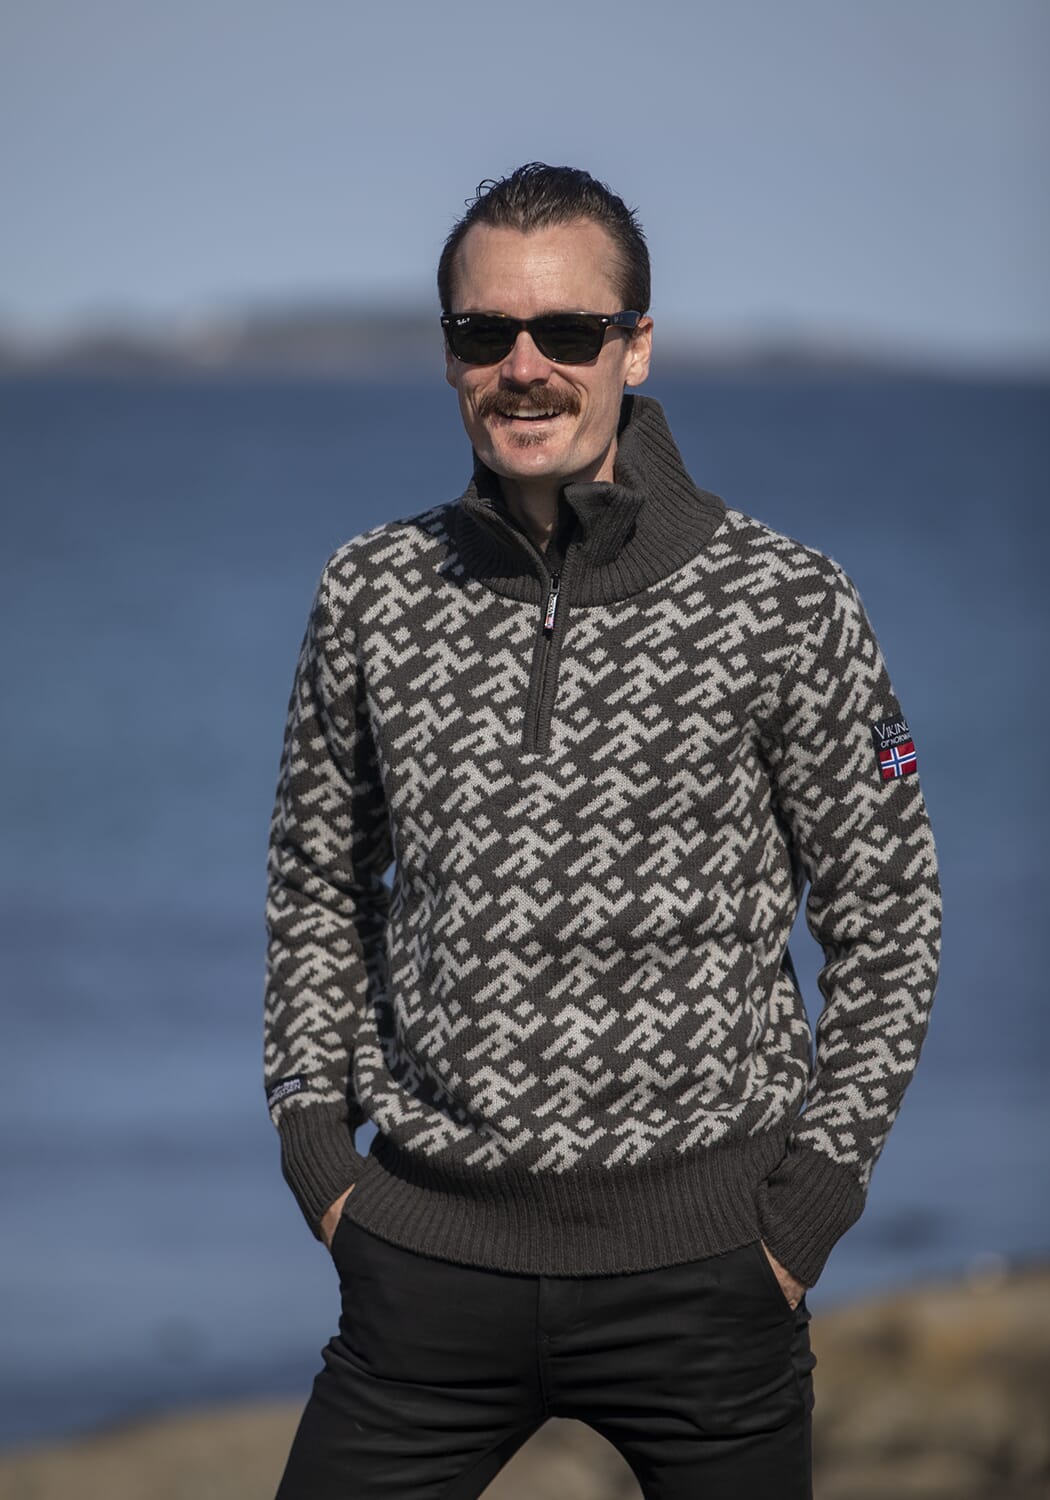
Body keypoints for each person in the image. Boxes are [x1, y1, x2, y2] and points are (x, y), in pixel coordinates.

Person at [263, 162, 942, 1499]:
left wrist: (807, 1210)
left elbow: (892, 917)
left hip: (710, 1277)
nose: (525, 368)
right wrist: (318, 1156)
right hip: (423, 1268)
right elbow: (315, 885)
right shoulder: (369, 592)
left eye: (568, 331)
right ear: (449, 353)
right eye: (485, 333)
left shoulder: (791, 603)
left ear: (635, 347)